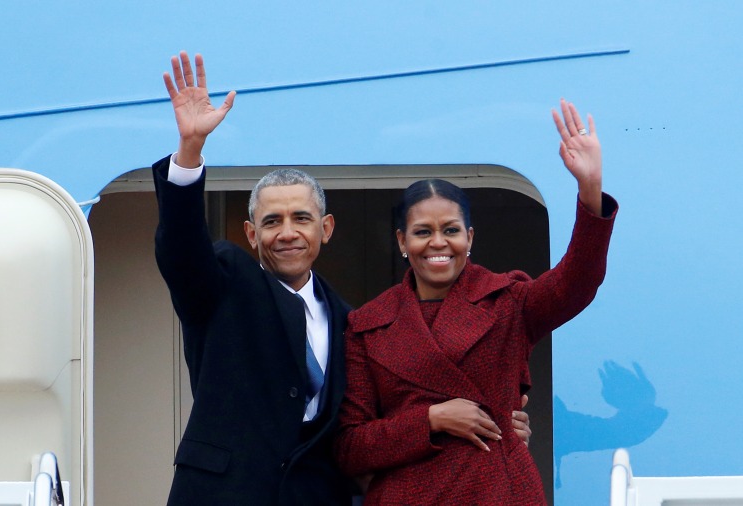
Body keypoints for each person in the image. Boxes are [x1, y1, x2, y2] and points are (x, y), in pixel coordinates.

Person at [152, 51, 532, 505]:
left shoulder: (354, 322)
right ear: (252, 234)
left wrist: (501, 423)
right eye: (272, 222)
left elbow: (381, 422)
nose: (287, 233)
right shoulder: (223, 282)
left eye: (301, 219)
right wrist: (190, 152)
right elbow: (181, 253)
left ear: (325, 229)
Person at [333, 99, 618, 505]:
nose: (437, 242)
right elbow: (350, 448)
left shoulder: (508, 301)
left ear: (470, 238)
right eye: (422, 231)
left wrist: (589, 190)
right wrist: (432, 419)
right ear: (402, 242)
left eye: (450, 229)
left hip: (496, 490)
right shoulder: (367, 325)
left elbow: (576, 283)